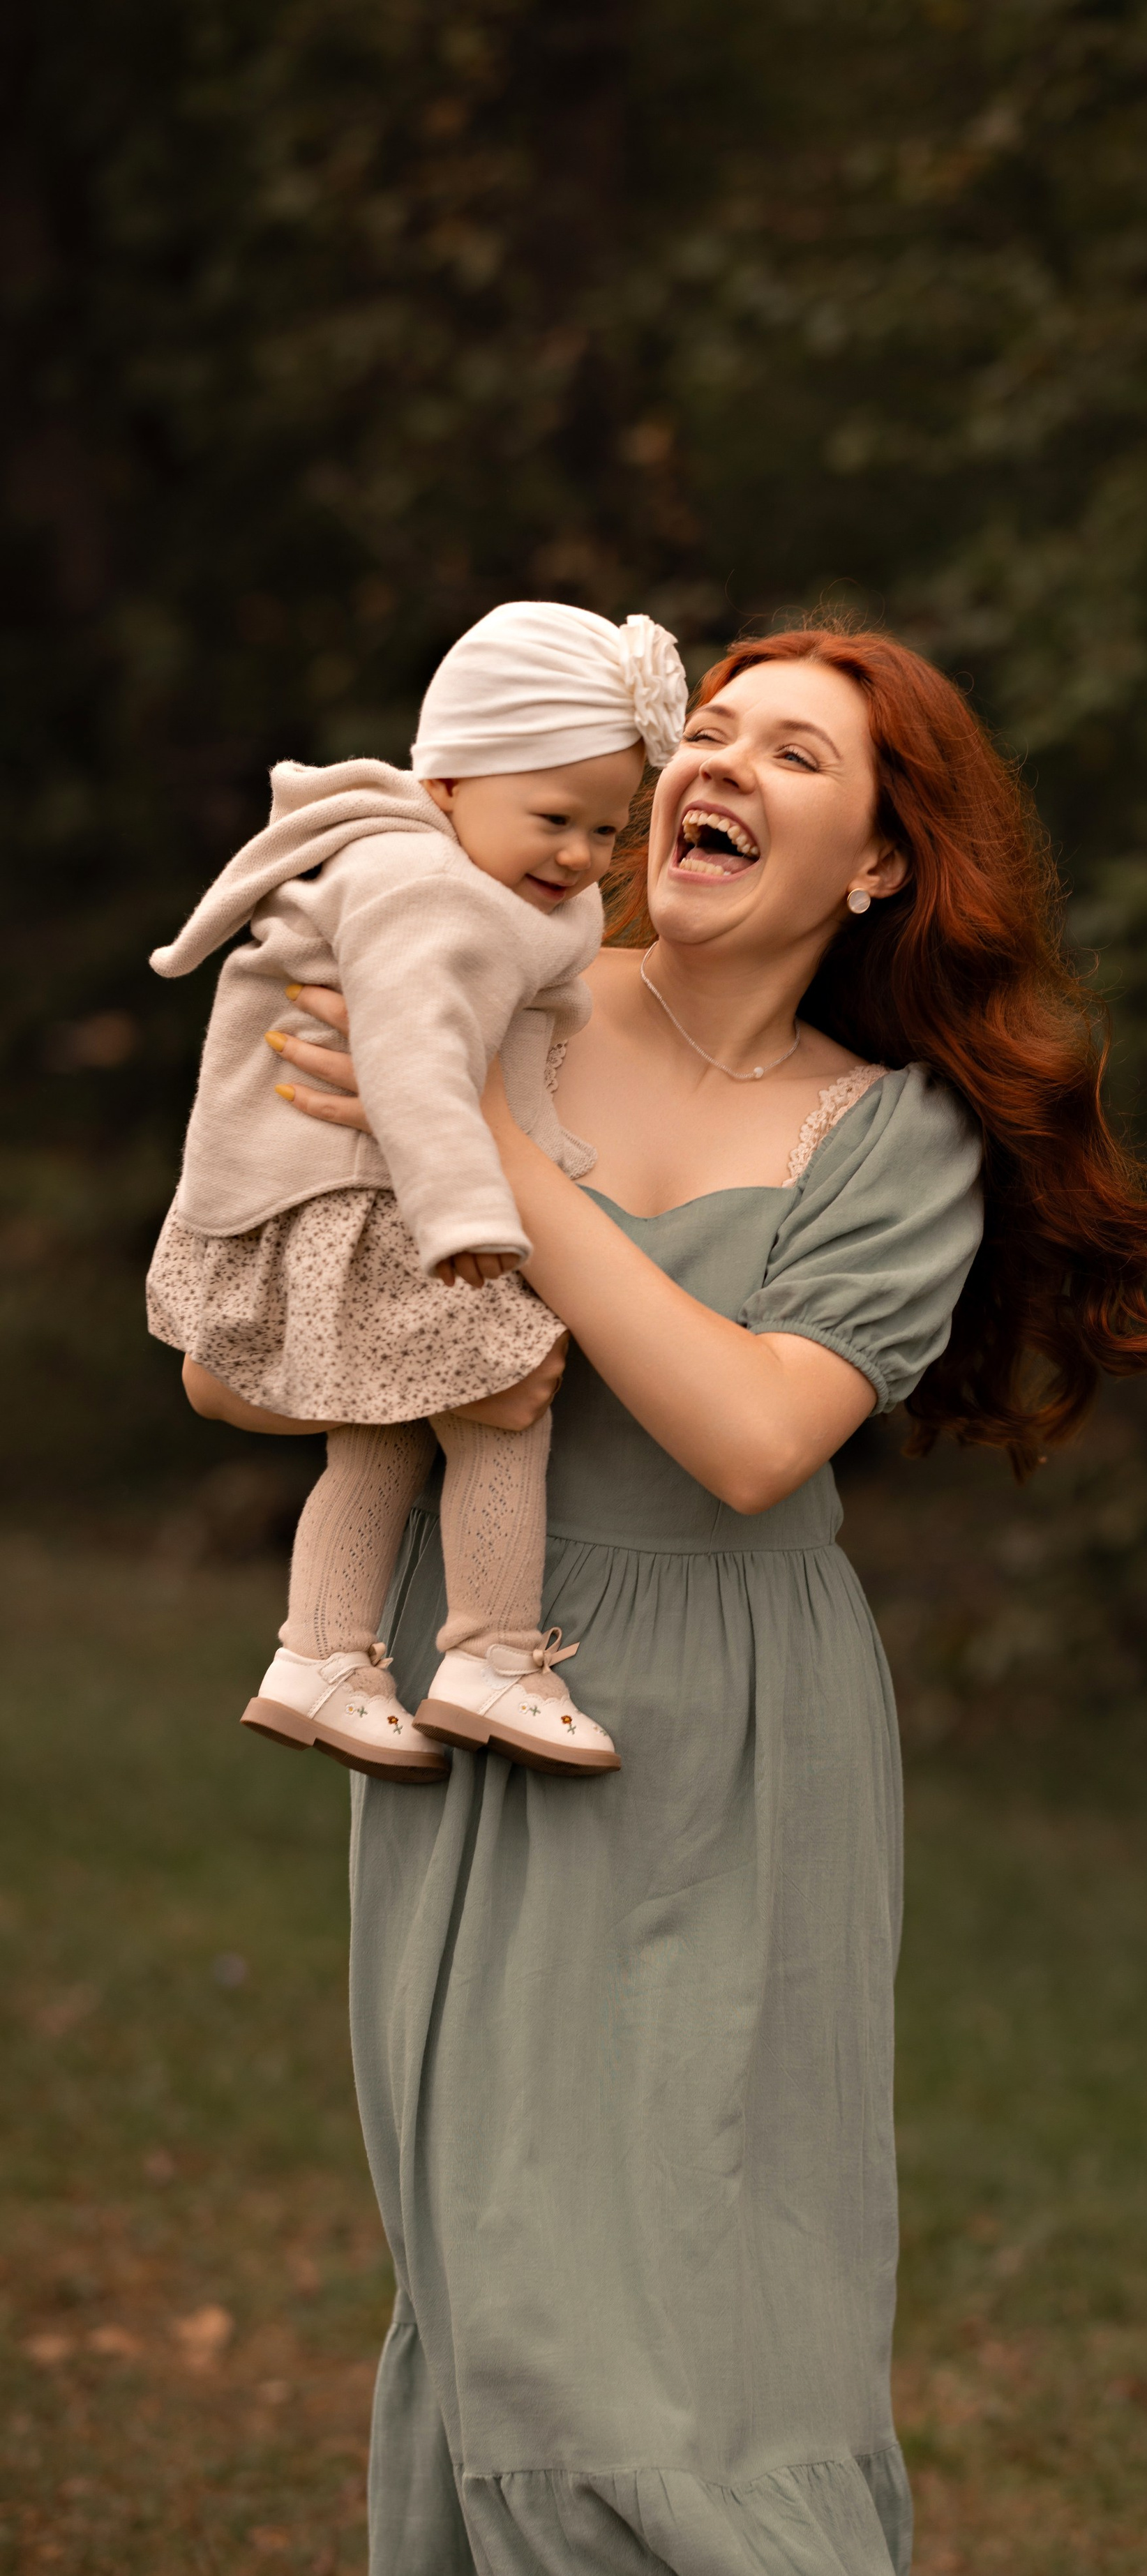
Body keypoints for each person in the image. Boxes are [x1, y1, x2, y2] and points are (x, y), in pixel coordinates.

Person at [187, 624, 1147, 2576]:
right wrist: (422, 1101)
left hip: (738, 1722)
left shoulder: (891, 1131)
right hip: (475, 1694)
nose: (715, 760)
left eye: (794, 750)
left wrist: (475, 1138)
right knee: (513, 2284)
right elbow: (248, 1369)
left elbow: (754, 1432)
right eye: (710, 727)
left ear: (878, 865)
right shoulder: (489, 970)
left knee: (708, 2286)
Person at [149, 601, 686, 1778]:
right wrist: (471, 1219)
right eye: (555, 819)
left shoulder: (467, 869)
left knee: (380, 1437)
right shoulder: (425, 889)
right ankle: (490, 1652)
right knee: (505, 1409)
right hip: (382, 1205)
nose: (582, 858)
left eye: (607, 828)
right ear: (447, 780)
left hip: (345, 1203)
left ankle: (321, 1655)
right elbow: (411, 1063)